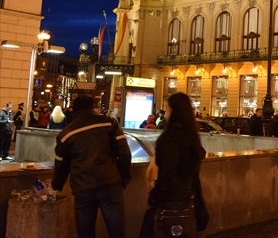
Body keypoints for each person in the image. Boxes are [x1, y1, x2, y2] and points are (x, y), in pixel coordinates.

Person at [52, 96, 132, 238]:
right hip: (110, 183)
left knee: (85, 233)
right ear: (92, 107)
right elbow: (125, 153)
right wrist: (124, 177)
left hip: (83, 188)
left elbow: (60, 164)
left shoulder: (66, 134)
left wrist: (57, 184)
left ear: (74, 110)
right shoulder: (109, 124)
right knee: (117, 232)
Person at [140, 93, 209, 237]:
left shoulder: (170, 139)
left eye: (167, 109)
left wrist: (154, 196)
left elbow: (167, 177)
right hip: (188, 201)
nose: (165, 114)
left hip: (170, 204)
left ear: (174, 112)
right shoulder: (191, 137)